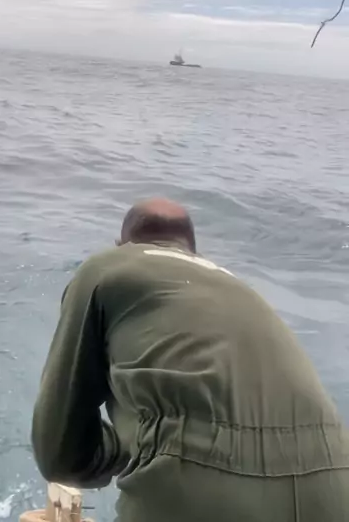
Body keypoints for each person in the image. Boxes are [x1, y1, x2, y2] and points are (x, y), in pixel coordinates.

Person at [31, 198, 349, 521]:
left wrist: (127, 448)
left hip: (202, 494)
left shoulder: (108, 267)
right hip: (336, 481)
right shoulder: (237, 287)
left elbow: (61, 453)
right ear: (192, 251)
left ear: (122, 245)